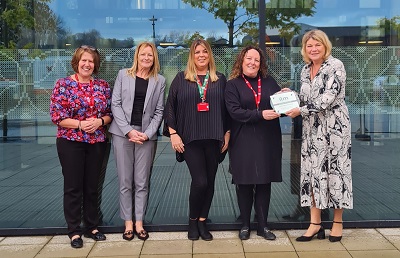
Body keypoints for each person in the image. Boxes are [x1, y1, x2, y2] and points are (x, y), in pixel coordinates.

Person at [285, 29, 352, 242]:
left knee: (336, 172)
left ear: (325, 46)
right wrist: (289, 95)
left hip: (335, 128)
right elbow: (306, 98)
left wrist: (301, 111)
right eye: (309, 46)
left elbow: (328, 98)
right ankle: (315, 224)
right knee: (313, 172)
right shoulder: (305, 70)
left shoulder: (336, 66)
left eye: (317, 45)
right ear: (305, 49)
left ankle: (337, 223)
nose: (313, 49)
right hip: (312, 128)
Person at [163, 39, 229, 241]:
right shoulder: (181, 79)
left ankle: (202, 220)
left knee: (210, 182)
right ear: (192, 56)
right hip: (190, 139)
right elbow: (170, 107)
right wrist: (173, 134)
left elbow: (227, 109)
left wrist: (227, 134)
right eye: (197, 52)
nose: (201, 55)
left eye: (205, 52)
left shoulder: (220, 78)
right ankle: (192, 220)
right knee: (200, 181)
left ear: (210, 55)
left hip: (214, 137)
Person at [50, 45, 112, 248]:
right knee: (73, 187)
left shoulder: (103, 85)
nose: (87, 64)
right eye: (84, 60)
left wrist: (100, 122)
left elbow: (111, 113)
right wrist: (79, 124)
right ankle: (74, 231)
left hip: (96, 142)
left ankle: (92, 226)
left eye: (91, 61)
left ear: (96, 65)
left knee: (92, 186)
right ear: (77, 62)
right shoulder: (63, 84)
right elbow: (57, 116)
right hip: (70, 143)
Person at [225, 45, 282, 241]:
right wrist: (260, 114)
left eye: (257, 60)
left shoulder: (269, 82)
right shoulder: (233, 85)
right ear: (242, 61)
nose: (252, 62)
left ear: (261, 64)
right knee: (245, 182)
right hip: (243, 139)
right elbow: (235, 111)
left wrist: (286, 96)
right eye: (249, 58)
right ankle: (245, 225)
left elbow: (279, 106)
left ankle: (263, 226)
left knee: (264, 182)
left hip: (267, 139)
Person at [109, 42, 165, 241]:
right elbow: (114, 104)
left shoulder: (159, 80)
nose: (147, 58)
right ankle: (128, 223)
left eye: (150, 55)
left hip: (146, 137)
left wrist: (147, 134)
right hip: (122, 134)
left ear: (154, 58)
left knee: (141, 182)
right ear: (137, 56)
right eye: (143, 54)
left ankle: (139, 222)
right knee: (125, 181)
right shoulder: (124, 75)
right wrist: (128, 131)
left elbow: (159, 111)